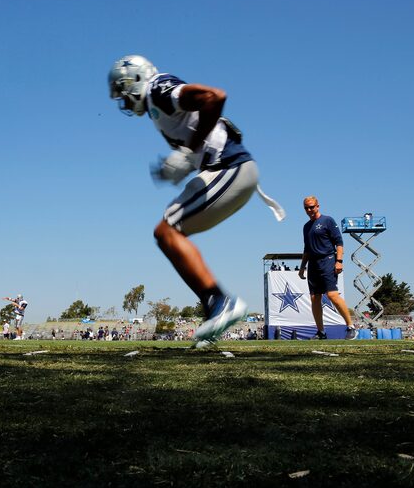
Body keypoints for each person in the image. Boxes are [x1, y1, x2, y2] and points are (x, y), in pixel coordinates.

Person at [108, 55, 285, 347]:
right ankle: (213, 319)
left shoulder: (157, 89)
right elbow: (202, 133)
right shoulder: (157, 105)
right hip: (230, 169)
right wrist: (185, 161)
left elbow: (214, 97)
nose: (125, 102)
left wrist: (189, 152)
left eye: (124, 91)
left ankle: (219, 302)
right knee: (170, 232)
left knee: (166, 231)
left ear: (136, 80)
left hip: (230, 167)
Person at [298, 196, 358, 340]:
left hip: (328, 260)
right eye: (306, 208)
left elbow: (339, 242)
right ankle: (321, 332)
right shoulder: (306, 226)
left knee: (332, 295)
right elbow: (306, 248)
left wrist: (339, 261)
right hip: (313, 264)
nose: (309, 210)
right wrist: (302, 267)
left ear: (318, 206)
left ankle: (351, 326)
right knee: (314, 298)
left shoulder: (328, 220)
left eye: (312, 207)